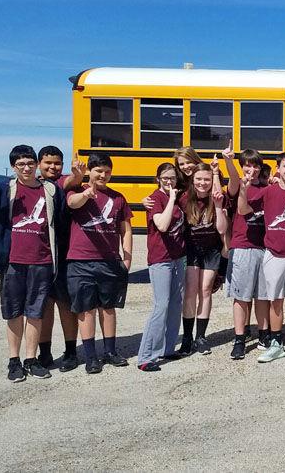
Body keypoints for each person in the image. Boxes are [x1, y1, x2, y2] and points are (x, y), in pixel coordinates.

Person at [0, 139, 66, 382]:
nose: (26, 168)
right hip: (12, 262)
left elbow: (61, 224)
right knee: (13, 312)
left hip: (42, 261)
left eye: (30, 163)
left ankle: (31, 360)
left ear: (36, 165)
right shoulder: (4, 190)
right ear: (13, 167)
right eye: (20, 164)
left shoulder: (51, 191)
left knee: (35, 312)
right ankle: (14, 361)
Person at [238, 152, 285, 363]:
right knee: (275, 301)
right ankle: (276, 344)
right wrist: (243, 190)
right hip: (273, 254)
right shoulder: (267, 192)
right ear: (278, 169)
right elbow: (243, 209)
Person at [65, 152, 133, 374]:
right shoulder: (77, 191)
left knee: (109, 307)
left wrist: (127, 256)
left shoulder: (118, 198)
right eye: (98, 171)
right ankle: (91, 356)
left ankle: (110, 351)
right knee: (86, 310)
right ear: (90, 172)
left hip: (109, 260)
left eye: (107, 171)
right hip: (80, 261)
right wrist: (86, 193)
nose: (103, 175)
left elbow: (126, 229)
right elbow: (73, 204)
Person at [36, 146, 83, 371]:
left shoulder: (65, 183)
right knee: (44, 306)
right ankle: (44, 352)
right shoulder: (33, 185)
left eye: (57, 163)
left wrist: (78, 174)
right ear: (39, 164)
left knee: (66, 304)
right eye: (48, 163)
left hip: (65, 254)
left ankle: (71, 351)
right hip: (41, 255)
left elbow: (69, 182)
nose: (53, 167)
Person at [136, 163, 186, 371]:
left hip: (178, 258)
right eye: (165, 177)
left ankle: (167, 347)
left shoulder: (178, 197)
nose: (169, 181)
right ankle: (146, 356)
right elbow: (162, 225)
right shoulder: (155, 199)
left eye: (172, 177)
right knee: (161, 305)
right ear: (157, 178)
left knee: (176, 304)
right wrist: (171, 199)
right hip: (160, 259)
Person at [176, 163, 229, 356]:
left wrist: (217, 206)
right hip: (191, 250)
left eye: (207, 179)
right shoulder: (184, 199)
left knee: (205, 290)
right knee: (190, 291)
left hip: (211, 250)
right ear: (192, 179)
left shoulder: (217, 199)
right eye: (199, 179)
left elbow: (222, 229)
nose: (202, 183)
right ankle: (187, 338)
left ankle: (201, 337)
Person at [225, 149, 267, 359]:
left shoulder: (268, 188)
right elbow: (241, 210)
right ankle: (239, 339)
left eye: (256, 165)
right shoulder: (237, 185)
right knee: (241, 297)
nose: (252, 169)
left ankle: (264, 334)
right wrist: (228, 161)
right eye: (247, 166)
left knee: (262, 296)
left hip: (264, 248)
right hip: (243, 246)